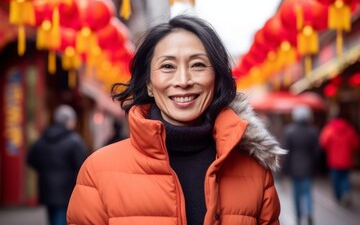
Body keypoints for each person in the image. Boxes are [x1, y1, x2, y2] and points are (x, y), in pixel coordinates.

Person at [67, 14, 286, 224]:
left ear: (216, 79)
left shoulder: (255, 171)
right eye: (167, 66)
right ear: (149, 84)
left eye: (198, 65)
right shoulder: (98, 170)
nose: (183, 80)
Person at [27, 104, 88, 225]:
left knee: (52, 218)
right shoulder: (74, 141)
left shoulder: (43, 139)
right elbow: (84, 165)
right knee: (61, 219)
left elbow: (30, 159)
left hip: (46, 187)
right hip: (66, 190)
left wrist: (44, 171)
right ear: (69, 121)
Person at [283, 105, 320, 225]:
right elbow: (316, 152)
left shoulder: (289, 131)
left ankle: (298, 217)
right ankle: (309, 212)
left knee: (296, 195)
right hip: (308, 167)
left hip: (294, 168)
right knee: (308, 192)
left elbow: (286, 152)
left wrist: (285, 168)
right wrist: (315, 167)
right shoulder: (313, 131)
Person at [319, 111, 359, 207]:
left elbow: (323, 143)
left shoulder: (329, 129)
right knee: (345, 178)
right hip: (346, 160)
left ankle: (338, 196)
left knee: (335, 180)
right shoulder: (349, 129)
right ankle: (346, 192)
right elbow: (356, 144)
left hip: (334, 160)